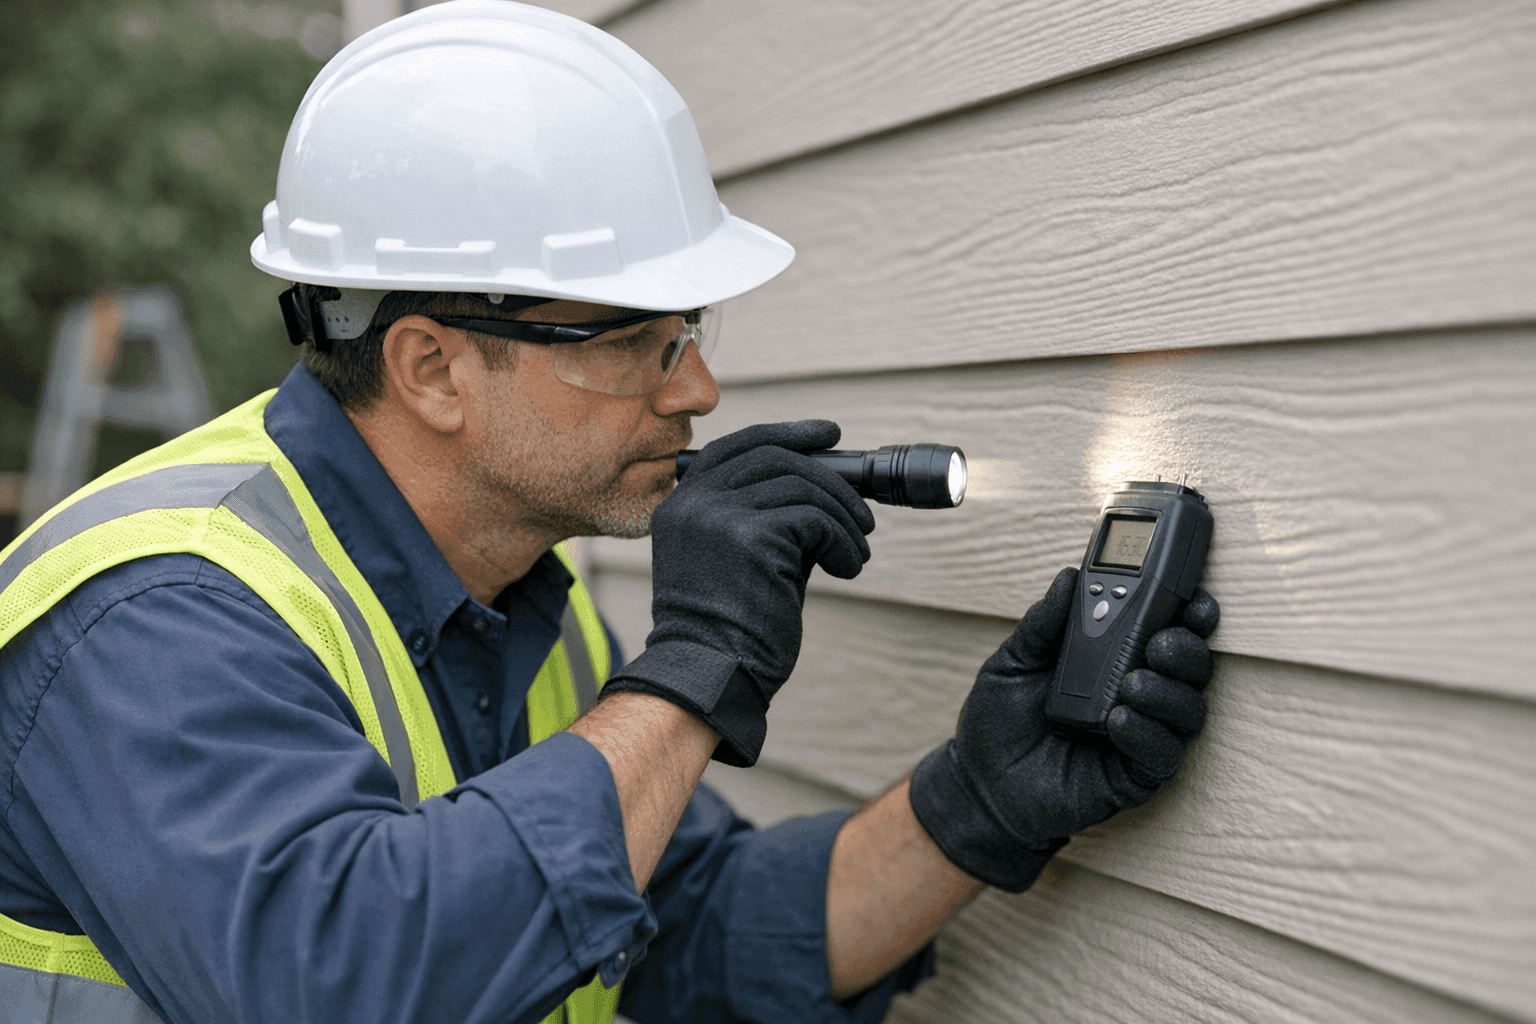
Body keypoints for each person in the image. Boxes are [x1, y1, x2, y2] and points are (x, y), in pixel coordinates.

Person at [0, 3, 1218, 1022]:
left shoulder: (516, 597)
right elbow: (356, 980)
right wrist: (694, 670)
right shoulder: (158, 616)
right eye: (634, 338)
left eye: (690, 331)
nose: (697, 388)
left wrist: (977, 803)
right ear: (429, 369)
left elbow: (682, 929)